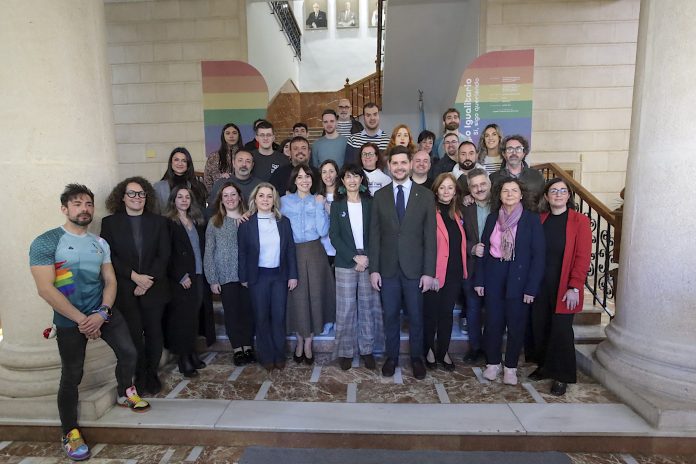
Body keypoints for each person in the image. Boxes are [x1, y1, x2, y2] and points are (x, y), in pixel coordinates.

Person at [29, 184, 150, 461]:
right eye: (77, 204)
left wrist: (102, 312)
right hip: (70, 319)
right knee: (72, 374)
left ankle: (125, 392)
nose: (84, 209)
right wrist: (83, 320)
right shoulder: (46, 241)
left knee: (129, 352)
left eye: (88, 204)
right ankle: (69, 431)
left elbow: (110, 280)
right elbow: (45, 289)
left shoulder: (100, 243)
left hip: (102, 312)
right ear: (64, 209)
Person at [369, 146, 437, 380]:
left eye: (403, 163)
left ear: (410, 165)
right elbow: (374, 235)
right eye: (395, 163)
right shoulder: (380, 196)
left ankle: (416, 358)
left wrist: (429, 272)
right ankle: (392, 357)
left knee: (416, 316)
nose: (399, 167)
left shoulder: (425, 196)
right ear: (389, 166)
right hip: (387, 269)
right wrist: (374, 269)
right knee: (390, 316)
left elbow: (430, 237)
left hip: (415, 270)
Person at [101, 177, 171, 395]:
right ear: (122, 197)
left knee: (154, 332)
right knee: (133, 333)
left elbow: (164, 255)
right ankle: (140, 374)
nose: (136, 197)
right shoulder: (109, 223)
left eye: (141, 193)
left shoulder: (159, 222)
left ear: (146, 197)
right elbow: (109, 256)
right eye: (131, 193)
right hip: (126, 288)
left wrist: (147, 280)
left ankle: (152, 373)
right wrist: (134, 277)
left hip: (154, 286)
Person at [474, 178, 545, 386]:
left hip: (519, 276)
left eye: (514, 190)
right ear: (500, 195)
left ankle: (511, 367)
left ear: (521, 195)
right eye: (505, 191)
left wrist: (531, 288)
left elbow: (538, 256)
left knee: (516, 323)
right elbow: (484, 251)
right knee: (493, 322)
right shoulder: (492, 218)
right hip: (494, 273)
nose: (510, 194)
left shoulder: (531, 219)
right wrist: (480, 280)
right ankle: (492, 363)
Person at [529, 178, 591, 396]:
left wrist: (575, 286)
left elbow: (583, 257)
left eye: (562, 191)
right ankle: (545, 367)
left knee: (561, 330)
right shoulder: (540, 219)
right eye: (553, 191)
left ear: (568, 196)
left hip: (564, 284)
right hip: (540, 284)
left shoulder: (579, 221)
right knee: (541, 326)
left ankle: (562, 376)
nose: (558, 194)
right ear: (546, 196)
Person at [239, 183, 298, 371]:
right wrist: (243, 277)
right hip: (258, 277)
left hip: (279, 276)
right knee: (261, 317)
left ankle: (279, 355)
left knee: (278, 317)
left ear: (274, 200)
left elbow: (290, 250)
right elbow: (242, 253)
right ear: (255, 199)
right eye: (261, 196)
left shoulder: (283, 222)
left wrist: (293, 275)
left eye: (269, 196)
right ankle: (266, 356)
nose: (265, 199)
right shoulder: (246, 224)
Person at [281, 165, 336, 365]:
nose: (304, 180)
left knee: (314, 295)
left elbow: (323, 231)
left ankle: (309, 342)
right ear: (294, 180)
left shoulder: (318, 200)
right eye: (300, 177)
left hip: (315, 252)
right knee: (296, 297)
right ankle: (299, 340)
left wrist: (320, 206)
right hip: (293, 252)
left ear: (313, 179)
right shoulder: (284, 201)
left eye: (308, 177)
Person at [330, 165, 383, 370]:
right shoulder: (337, 206)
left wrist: (366, 257)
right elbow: (334, 236)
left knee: (368, 307)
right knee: (346, 308)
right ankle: (346, 351)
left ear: (362, 180)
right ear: (342, 181)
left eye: (356, 176)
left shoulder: (371, 203)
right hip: (346, 262)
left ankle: (367, 350)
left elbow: (377, 232)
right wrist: (354, 257)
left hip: (369, 260)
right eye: (348, 177)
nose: (352, 180)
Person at [205, 181, 255, 366]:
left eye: (233, 194)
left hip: (247, 275)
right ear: (221, 200)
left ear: (240, 197)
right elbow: (209, 251)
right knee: (232, 314)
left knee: (248, 313)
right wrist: (212, 279)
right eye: (225, 195)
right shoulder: (215, 222)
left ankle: (248, 346)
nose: (230, 198)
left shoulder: (249, 219)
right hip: (225, 275)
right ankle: (237, 349)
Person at [422, 173, 468, 372]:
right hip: (435, 273)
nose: (446, 191)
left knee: (447, 314)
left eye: (450, 187)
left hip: (454, 273)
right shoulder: (430, 213)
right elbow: (424, 245)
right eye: (442, 187)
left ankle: (444, 351)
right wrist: (430, 273)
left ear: (455, 191)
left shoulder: (457, 213)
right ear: (436, 191)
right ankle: (429, 350)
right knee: (431, 314)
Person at [164, 185, 207, 378]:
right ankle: (183, 359)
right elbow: (167, 252)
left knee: (193, 317)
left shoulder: (195, 221)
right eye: (179, 197)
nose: (184, 200)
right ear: (173, 200)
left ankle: (191, 352)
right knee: (182, 319)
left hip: (198, 274)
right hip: (182, 278)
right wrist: (180, 275)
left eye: (187, 197)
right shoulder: (168, 223)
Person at [461, 168, 491, 364]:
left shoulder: (500, 204)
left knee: (493, 310)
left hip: (495, 266)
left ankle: (490, 348)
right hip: (471, 264)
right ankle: (475, 348)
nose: (479, 189)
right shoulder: (464, 207)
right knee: (472, 309)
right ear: (469, 189)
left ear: (489, 183)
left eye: (482, 184)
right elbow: (457, 237)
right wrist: (471, 248)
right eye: (474, 186)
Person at [490, 135, 545, 207]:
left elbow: (543, 202)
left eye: (518, 149)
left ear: (524, 153)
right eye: (510, 149)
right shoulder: (493, 178)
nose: (514, 153)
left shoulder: (537, 176)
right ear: (504, 154)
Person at [153, 147, 207, 214]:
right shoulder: (158, 187)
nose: (180, 163)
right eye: (176, 160)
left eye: (184, 161)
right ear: (171, 163)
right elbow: (155, 212)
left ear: (188, 164)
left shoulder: (198, 187)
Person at [203, 123, 244, 192]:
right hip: (219, 194)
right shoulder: (214, 156)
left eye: (234, 133)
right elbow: (208, 179)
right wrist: (213, 194)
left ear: (238, 135)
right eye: (228, 133)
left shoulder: (245, 155)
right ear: (223, 136)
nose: (231, 136)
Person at [317, 159, 339, 267]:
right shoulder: (317, 197)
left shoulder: (344, 196)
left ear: (337, 173)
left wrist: (327, 207)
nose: (328, 175)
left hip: (340, 250)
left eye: (331, 171)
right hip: (322, 250)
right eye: (324, 172)